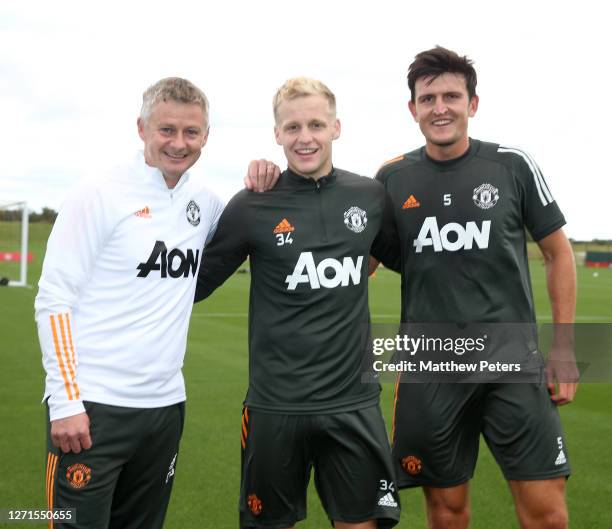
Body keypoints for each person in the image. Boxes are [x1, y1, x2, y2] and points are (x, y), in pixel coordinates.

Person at [35, 77, 277, 529]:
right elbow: (54, 298)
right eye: (167, 130)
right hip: (93, 407)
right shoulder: (100, 193)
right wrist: (66, 400)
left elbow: (250, 233)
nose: (178, 143)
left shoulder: (203, 202)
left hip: (165, 409)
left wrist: (266, 179)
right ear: (142, 127)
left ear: (206, 136)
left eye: (191, 132)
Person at [373, 47, 577, 529]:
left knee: (547, 513)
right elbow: (359, 264)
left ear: (473, 103)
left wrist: (564, 346)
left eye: (451, 95)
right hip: (432, 363)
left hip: (512, 360)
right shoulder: (392, 177)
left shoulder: (512, 165)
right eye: (428, 98)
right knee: (446, 512)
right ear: (413, 109)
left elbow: (558, 252)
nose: (439, 107)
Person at [195, 77, 401, 529]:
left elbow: (408, 260)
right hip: (275, 408)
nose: (304, 137)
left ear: (336, 128)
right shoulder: (253, 203)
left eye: (315, 125)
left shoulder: (369, 196)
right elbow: (192, 284)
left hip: (353, 404)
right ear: (276, 134)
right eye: (292, 127)